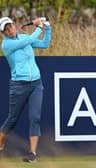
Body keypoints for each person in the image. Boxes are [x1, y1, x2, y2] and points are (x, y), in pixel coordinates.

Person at [0, 16, 51, 162]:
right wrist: (38, 27)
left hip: (36, 83)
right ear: (3, 33)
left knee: (35, 118)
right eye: (6, 30)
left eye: (10, 26)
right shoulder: (6, 45)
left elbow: (44, 44)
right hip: (18, 86)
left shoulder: (23, 37)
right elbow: (28, 41)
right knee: (12, 119)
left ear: (14, 25)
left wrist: (47, 28)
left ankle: (32, 154)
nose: (9, 31)